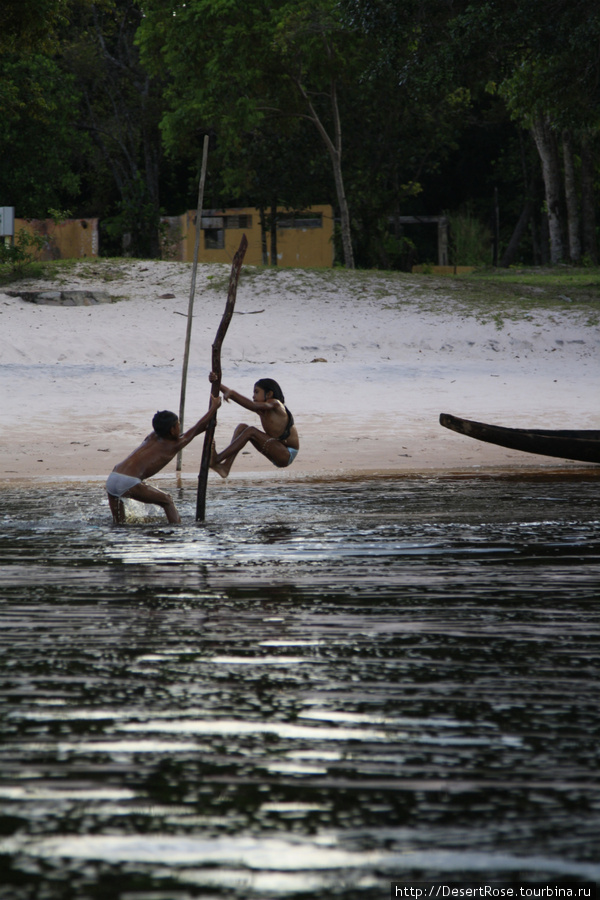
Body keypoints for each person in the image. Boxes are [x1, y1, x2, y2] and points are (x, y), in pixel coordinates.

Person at [105, 394, 221, 524]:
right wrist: (214, 408)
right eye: (178, 425)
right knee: (167, 501)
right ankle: (176, 532)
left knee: (119, 524)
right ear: (172, 430)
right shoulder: (174, 445)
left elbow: (193, 431)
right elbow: (194, 430)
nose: (179, 427)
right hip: (129, 481)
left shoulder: (152, 436)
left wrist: (205, 427)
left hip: (112, 478)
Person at [209, 374, 299, 478]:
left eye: (256, 392)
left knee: (251, 431)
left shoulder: (275, 404)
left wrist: (232, 393)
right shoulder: (262, 410)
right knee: (242, 428)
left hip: (287, 454)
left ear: (269, 394)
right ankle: (225, 467)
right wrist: (217, 384)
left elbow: (251, 405)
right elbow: (247, 403)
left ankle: (217, 459)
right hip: (276, 448)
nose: (253, 396)